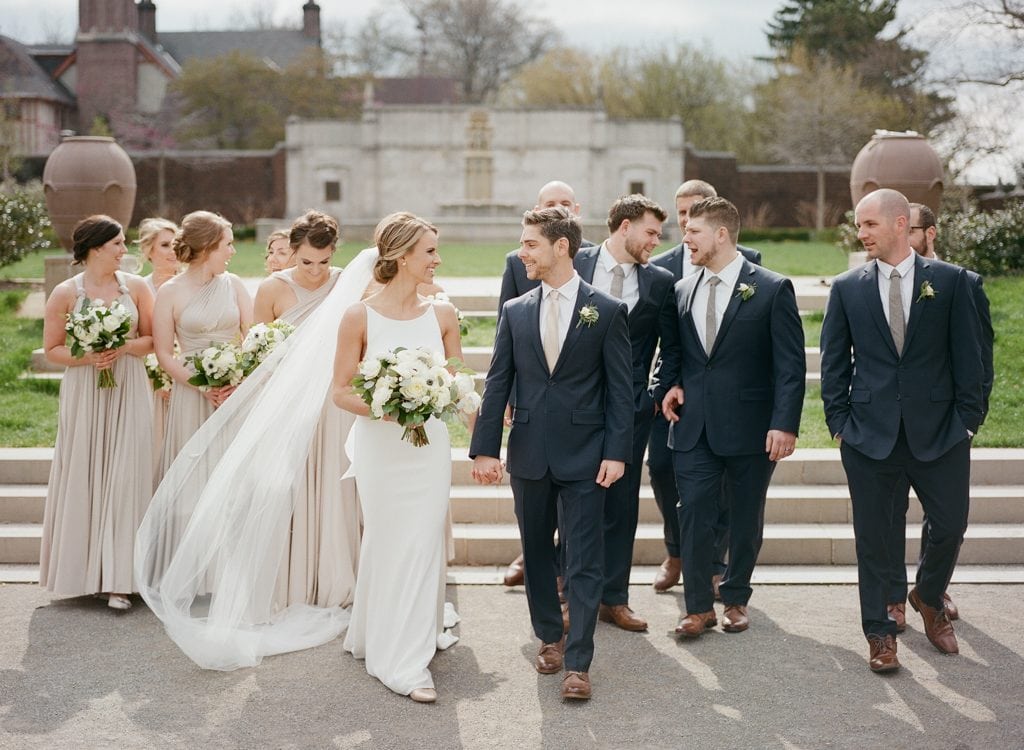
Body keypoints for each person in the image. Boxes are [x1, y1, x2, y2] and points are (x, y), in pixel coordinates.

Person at [470, 206, 633, 701]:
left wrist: (617, 452)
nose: (523, 253)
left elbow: (620, 391)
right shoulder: (516, 310)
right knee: (538, 552)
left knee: (584, 560)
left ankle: (579, 662)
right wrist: (484, 451)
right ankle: (549, 637)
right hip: (529, 454)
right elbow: (499, 381)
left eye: (530, 244)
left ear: (561, 247)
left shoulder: (605, 310)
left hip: (587, 456)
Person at [820, 188, 984, 673]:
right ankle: (879, 633)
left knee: (951, 526)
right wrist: (839, 424)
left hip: (941, 433)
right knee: (872, 539)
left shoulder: (952, 283)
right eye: (859, 224)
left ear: (898, 223)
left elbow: (969, 359)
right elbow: (833, 362)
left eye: (869, 224)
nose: (861, 232)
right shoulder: (848, 287)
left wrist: (967, 423)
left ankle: (928, 597)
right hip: (869, 436)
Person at [654, 197, 804, 638]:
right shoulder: (681, 290)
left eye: (694, 231)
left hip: (752, 427)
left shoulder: (773, 288)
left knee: (743, 516)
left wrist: (785, 423)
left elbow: (790, 366)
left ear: (721, 234)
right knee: (694, 512)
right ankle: (698, 607)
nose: (685, 238)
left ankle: (736, 597)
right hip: (693, 424)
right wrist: (671, 386)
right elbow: (674, 355)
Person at [332, 213, 464, 704]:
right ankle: (399, 662)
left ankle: (409, 639)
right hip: (381, 446)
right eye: (429, 251)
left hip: (429, 448)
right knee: (390, 540)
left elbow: (457, 382)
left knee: (424, 539)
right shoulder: (358, 316)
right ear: (402, 256)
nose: (437, 259)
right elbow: (340, 392)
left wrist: (440, 401)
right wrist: (390, 409)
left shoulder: (443, 314)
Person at [648, 179, 763, 594]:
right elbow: (668, 341)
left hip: (733, 404)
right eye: (680, 213)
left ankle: (716, 564)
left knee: (727, 488)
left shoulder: (751, 264)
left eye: (694, 212)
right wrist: (665, 387)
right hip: (679, 397)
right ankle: (676, 550)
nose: (685, 221)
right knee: (661, 467)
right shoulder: (661, 267)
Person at [885, 202, 995, 631]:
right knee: (889, 514)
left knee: (946, 521)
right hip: (887, 426)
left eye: (909, 231)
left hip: (945, 425)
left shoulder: (961, 282)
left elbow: (979, 356)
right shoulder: (875, 280)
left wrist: (970, 420)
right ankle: (894, 596)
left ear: (929, 233)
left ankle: (930, 588)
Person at [569, 194, 674, 631]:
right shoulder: (574, 263)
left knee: (621, 506)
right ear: (625, 225)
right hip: (571, 406)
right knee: (570, 505)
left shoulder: (659, 282)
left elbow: (671, 347)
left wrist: (653, 394)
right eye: (650, 232)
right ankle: (570, 596)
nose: (656, 241)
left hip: (629, 411)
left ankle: (614, 598)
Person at [40, 215, 155, 611]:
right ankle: (85, 573)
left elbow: (153, 340)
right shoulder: (64, 293)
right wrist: (89, 356)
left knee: (127, 474)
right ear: (95, 248)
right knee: (87, 470)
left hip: (129, 386)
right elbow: (53, 350)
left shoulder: (137, 288)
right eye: (119, 244)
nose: (126, 250)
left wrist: (120, 349)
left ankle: (122, 579)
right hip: (86, 388)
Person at [253, 210, 360, 611]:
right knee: (292, 486)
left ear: (334, 253)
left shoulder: (349, 283)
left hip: (336, 403)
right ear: (291, 251)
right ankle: (295, 580)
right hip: (289, 403)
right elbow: (256, 352)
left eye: (325, 261)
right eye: (306, 262)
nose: (316, 272)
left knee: (336, 485)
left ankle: (337, 576)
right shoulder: (271, 289)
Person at [497, 180, 593, 590]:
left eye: (565, 204)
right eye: (550, 204)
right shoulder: (516, 262)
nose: (560, 209)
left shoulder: (591, 262)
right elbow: (508, 341)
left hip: (578, 402)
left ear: (578, 210)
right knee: (536, 497)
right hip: (534, 398)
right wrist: (510, 399)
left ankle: (571, 580)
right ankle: (537, 557)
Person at [152, 211, 252, 486]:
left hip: (233, 392)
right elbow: (163, 353)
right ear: (208, 247)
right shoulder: (169, 292)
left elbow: (254, 338)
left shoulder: (234, 285)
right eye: (227, 244)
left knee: (229, 475)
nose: (232, 250)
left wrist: (236, 382)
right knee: (191, 476)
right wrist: (203, 387)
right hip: (191, 392)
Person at [136, 217, 179, 466]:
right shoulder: (138, 288)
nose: (172, 250)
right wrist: (158, 376)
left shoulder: (192, 284)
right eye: (165, 245)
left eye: (176, 244)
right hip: (145, 379)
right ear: (148, 250)